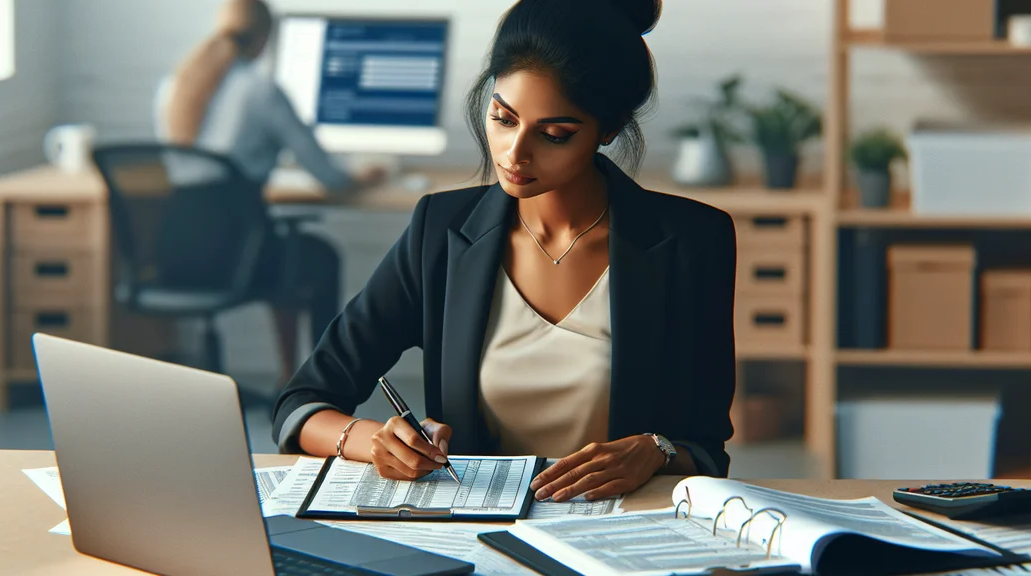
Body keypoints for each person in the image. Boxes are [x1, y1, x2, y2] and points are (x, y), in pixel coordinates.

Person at [272, 0, 737, 503]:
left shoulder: (691, 242)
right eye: (503, 117)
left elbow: (706, 446)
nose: (514, 154)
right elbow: (303, 402)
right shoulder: (440, 231)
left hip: (620, 528)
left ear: (609, 129)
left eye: (555, 134)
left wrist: (656, 450)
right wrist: (373, 442)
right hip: (478, 527)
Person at [153, 0, 379, 383]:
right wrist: (368, 175)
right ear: (263, 39)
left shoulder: (175, 87)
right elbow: (329, 175)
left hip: (175, 255)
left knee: (285, 251)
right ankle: (325, 384)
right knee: (319, 256)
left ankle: (289, 375)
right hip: (231, 259)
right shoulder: (260, 89)